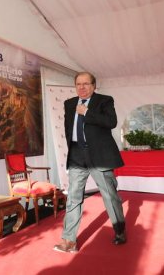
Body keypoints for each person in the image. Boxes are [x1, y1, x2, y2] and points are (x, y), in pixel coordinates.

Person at [53, 72, 126, 253]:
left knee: (109, 195)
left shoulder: (104, 100)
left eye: (86, 84)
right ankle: (69, 240)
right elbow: (69, 129)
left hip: (99, 155)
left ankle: (119, 230)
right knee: (73, 198)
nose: (82, 87)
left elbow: (111, 122)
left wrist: (87, 112)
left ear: (94, 85)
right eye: (78, 84)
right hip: (77, 154)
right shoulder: (69, 104)